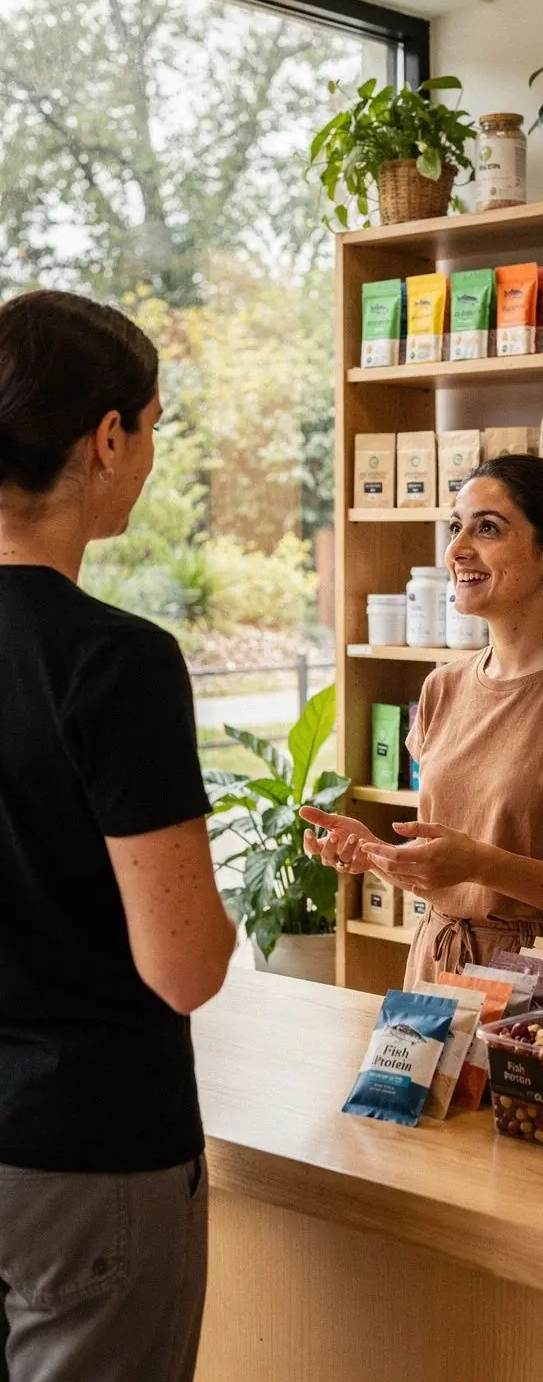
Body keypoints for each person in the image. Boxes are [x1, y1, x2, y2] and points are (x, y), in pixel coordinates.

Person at [0, 291, 235, 1382]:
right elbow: (184, 968)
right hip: (85, 1153)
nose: (145, 455)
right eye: (151, 428)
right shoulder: (115, 661)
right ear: (106, 438)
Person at [302, 454, 543, 986]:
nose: (456, 549)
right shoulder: (442, 687)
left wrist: (481, 865)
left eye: (488, 528)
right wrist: (380, 854)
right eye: (456, 527)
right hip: (436, 963)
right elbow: (453, 869)